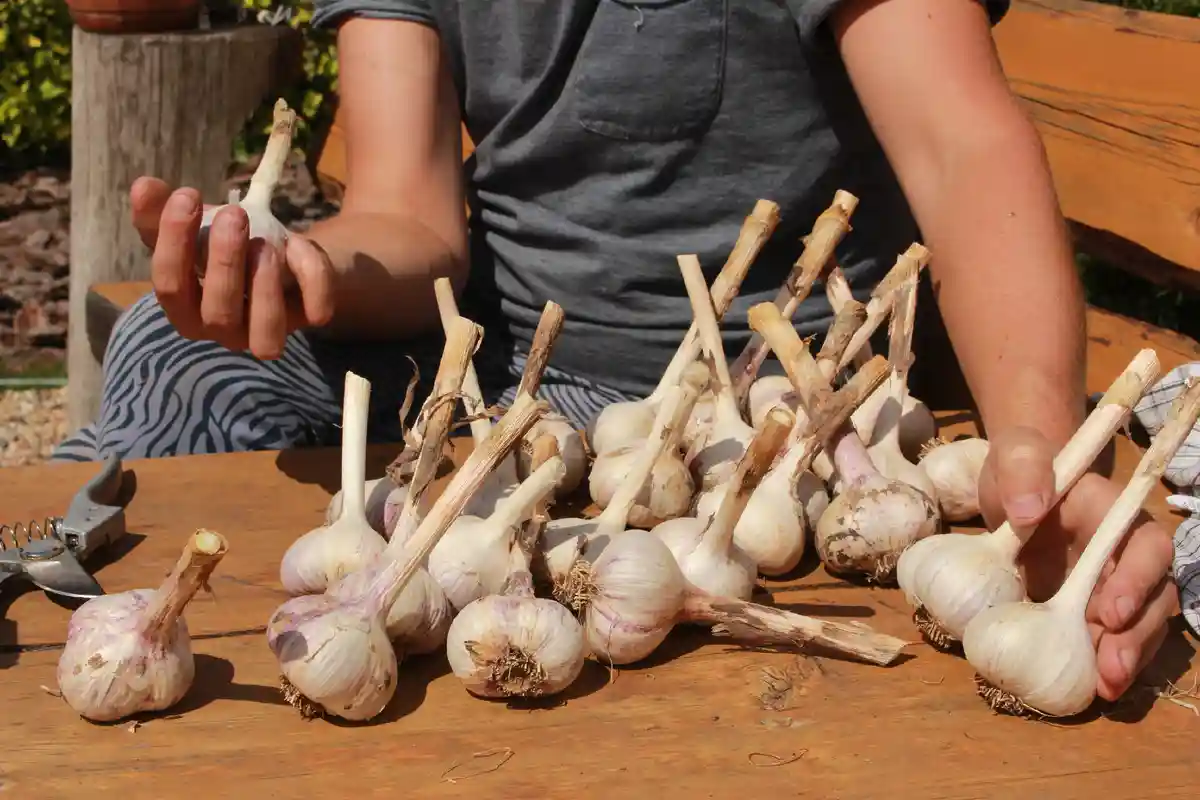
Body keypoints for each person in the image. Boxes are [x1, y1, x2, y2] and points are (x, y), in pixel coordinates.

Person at [52, 0, 1178, 705]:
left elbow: (962, 146)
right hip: (495, 362)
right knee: (171, 344)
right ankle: (89, 624)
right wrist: (309, 272)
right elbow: (406, 214)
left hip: (737, 419)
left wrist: (1037, 439)